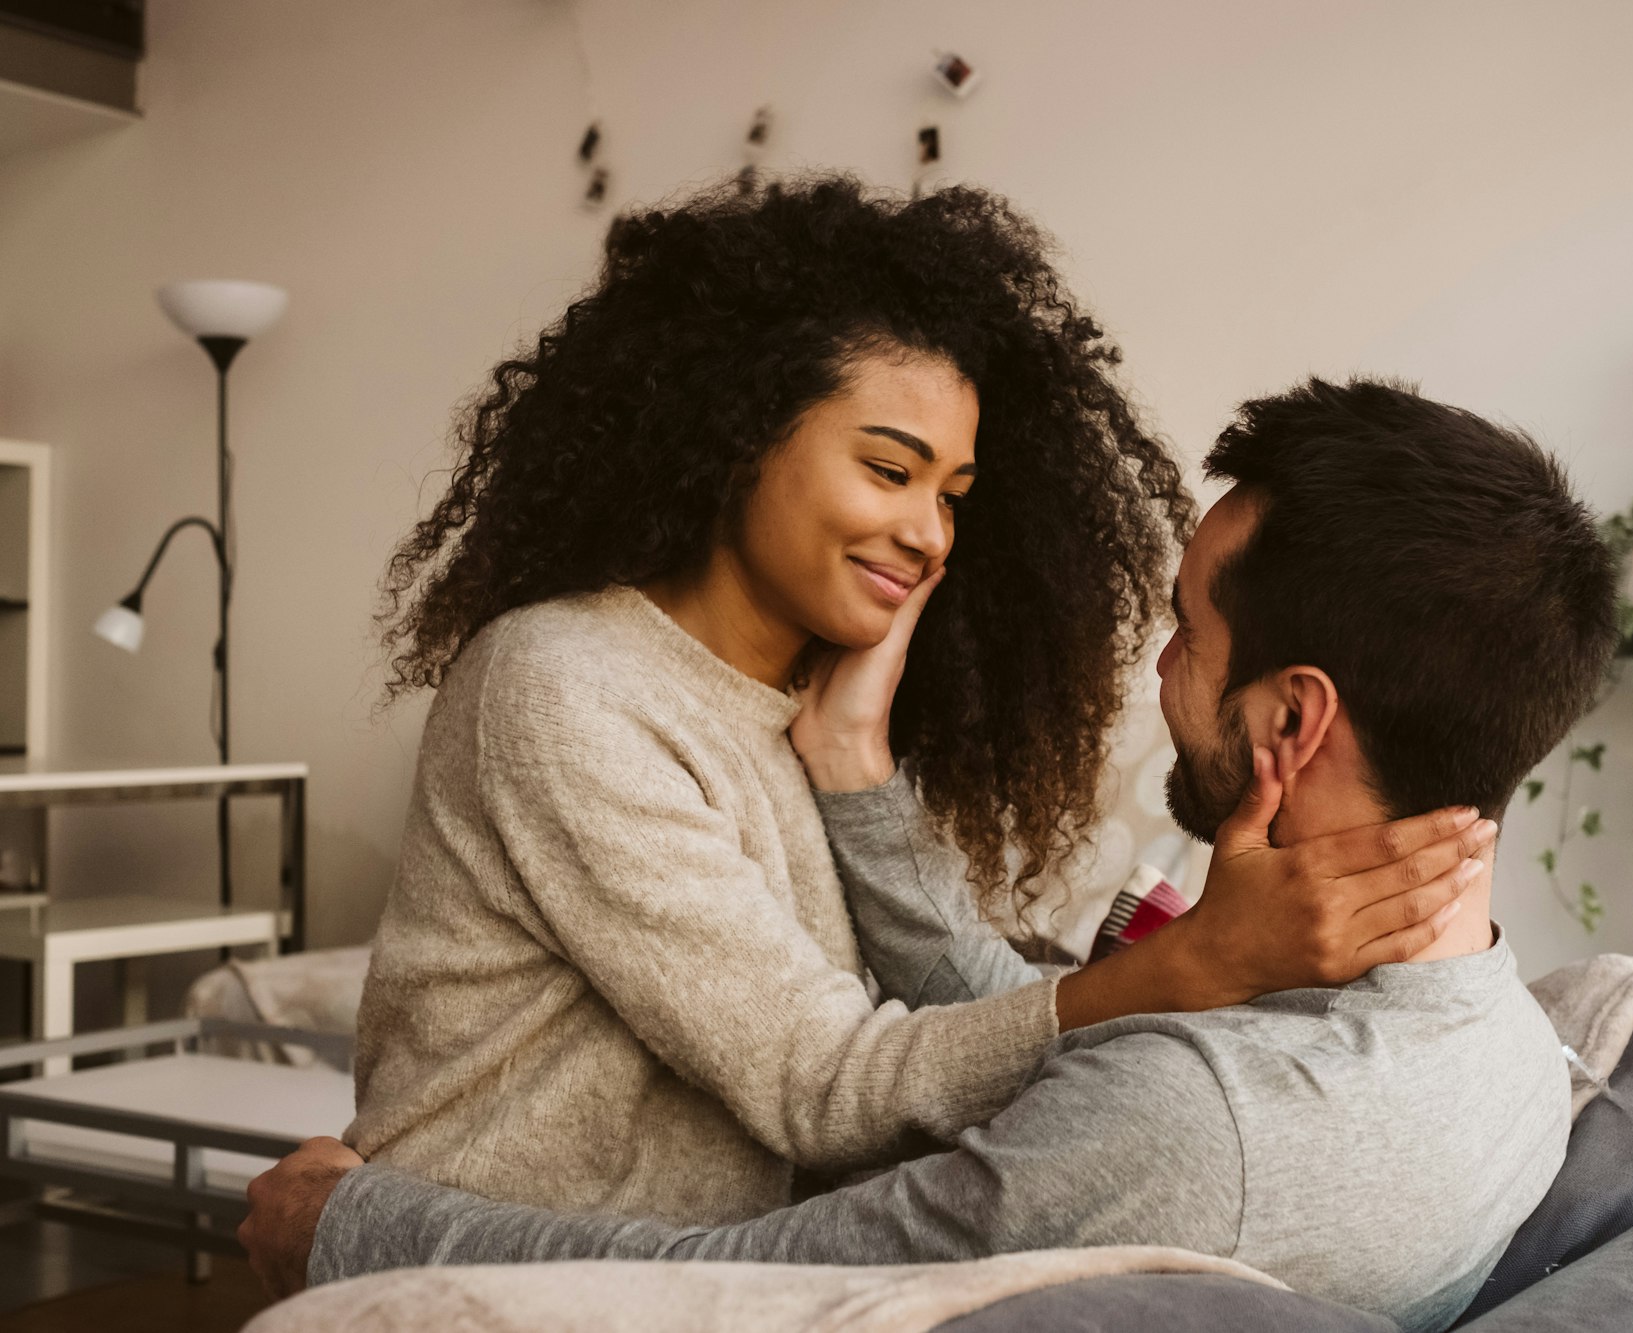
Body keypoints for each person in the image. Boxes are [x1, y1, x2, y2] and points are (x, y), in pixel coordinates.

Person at [244, 377, 1621, 1331]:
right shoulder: (1508, 1048)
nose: (1159, 666)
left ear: (1289, 723)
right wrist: (857, 773)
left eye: (1188, 631)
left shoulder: (1204, 1124)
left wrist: (355, 1227)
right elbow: (1045, 1052)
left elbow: (750, 1288)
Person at [344, 176, 1482, 1234]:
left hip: (678, 1279)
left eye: (952, 495)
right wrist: (1193, 965)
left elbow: (947, 1023)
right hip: (462, 1269)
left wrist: (853, 753)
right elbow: (825, 1083)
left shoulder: (817, 704)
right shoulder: (565, 686)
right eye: (890, 471)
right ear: (736, 438)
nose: (930, 533)